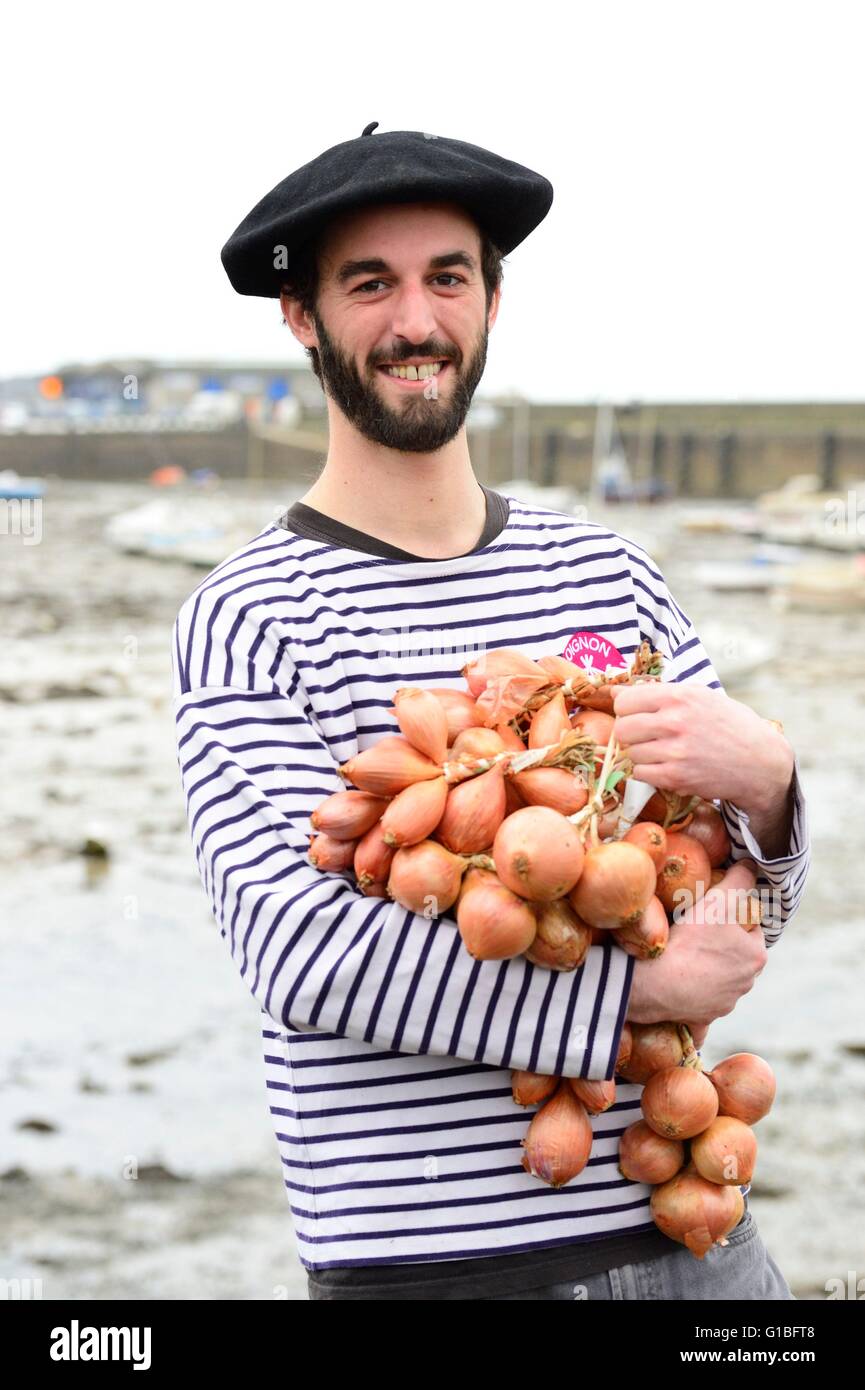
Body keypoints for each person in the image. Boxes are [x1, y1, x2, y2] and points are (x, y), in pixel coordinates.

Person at [171, 124, 810, 1301]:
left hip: (699, 1252)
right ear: (301, 318)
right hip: (439, 1274)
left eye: (446, 278)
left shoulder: (611, 572)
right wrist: (632, 993)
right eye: (370, 284)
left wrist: (772, 790)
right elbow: (302, 955)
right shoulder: (251, 614)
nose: (415, 321)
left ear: (492, 302)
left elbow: (737, 910)